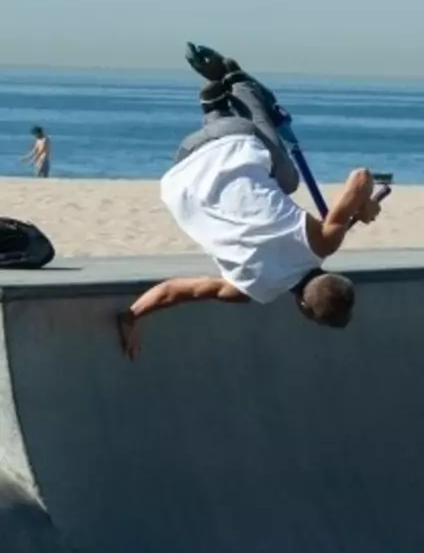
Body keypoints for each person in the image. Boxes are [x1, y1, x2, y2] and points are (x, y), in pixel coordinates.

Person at [118, 70, 385, 360]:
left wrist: (363, 206)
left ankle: (240, 88)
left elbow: (360, 177)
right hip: (181, 167)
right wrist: (131, 318)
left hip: (234, 136)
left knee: (288, 179)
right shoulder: (247, 290)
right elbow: (174, 292)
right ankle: (215, 107)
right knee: (267, 177)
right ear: (303, 309)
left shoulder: (324, 241)